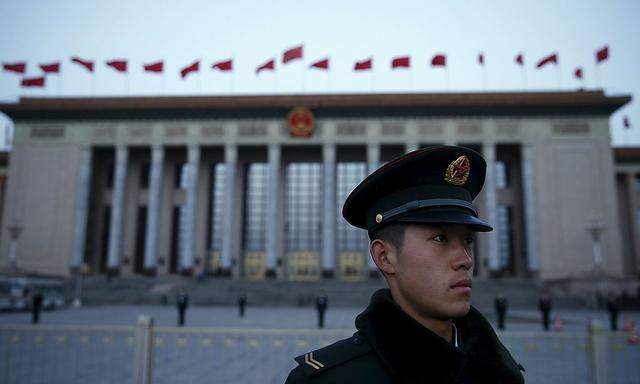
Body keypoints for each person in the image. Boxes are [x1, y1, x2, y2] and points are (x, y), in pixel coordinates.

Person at [285, 146, 524, 383]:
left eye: (468, 240)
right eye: (440, 238)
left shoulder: (500, 372)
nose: (466, 260)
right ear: (385, 257)